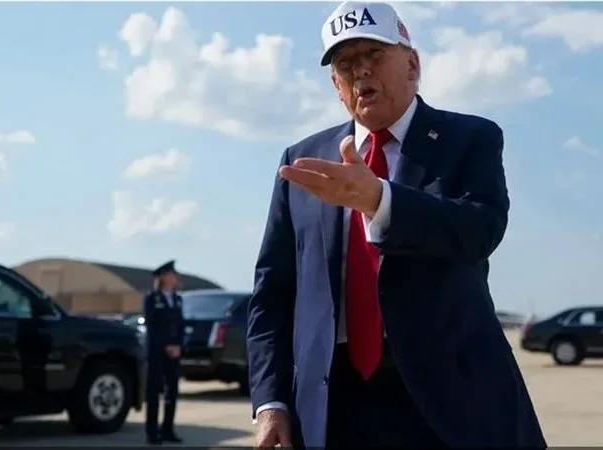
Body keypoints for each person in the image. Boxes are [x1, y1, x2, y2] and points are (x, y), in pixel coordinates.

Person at [246, 1, 546, 447]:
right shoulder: (303, 162)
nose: (361, 71)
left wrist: (380, 201)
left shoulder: (469, 139)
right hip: (333, 407)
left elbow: (480, 229)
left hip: (447, 406)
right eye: (346, 64)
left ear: (412, 65)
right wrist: (271, 402)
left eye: (374, 54)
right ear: (336, 85)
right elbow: (273, 293)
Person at [143, 260, 185, 445]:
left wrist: (178, 345)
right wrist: (166, 345)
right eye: (172, 273)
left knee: (172, 392)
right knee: (154, 392)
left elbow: (180, 326)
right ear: (164, 277)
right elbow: (152, 326)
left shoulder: (177, 299)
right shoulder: (152, 298)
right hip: (157, 352)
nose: (175, 276)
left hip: (174, 353)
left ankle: (168, 429)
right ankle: (152, 432)